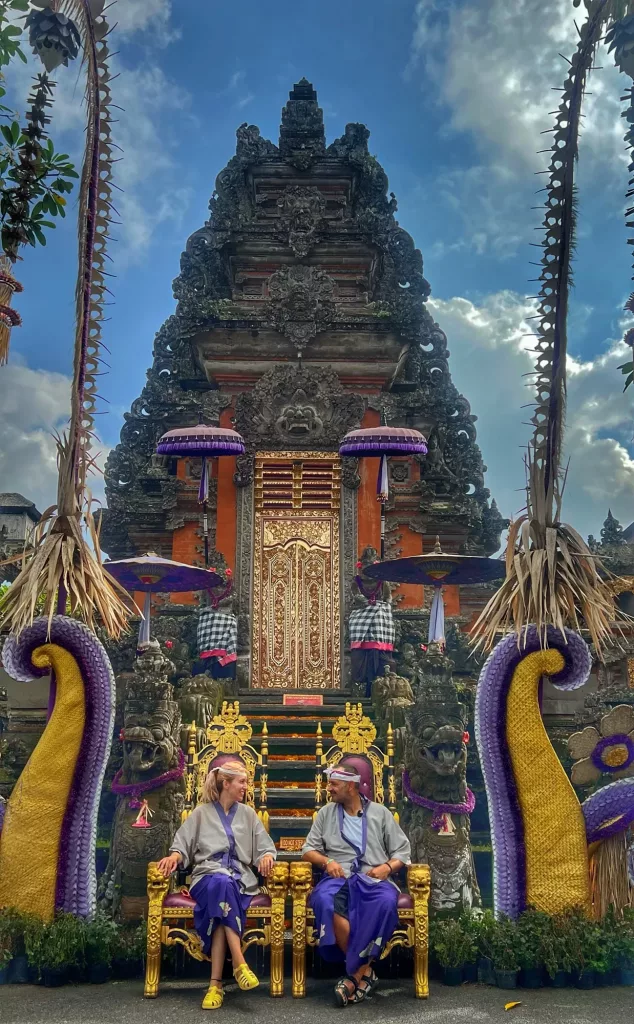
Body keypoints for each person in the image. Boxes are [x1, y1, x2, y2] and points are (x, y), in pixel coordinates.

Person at [157, 759, 276, 1010]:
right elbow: (182, 844)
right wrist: (174, 856)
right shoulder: (200, 813)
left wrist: (266, 857)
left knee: (223, 898)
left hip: (240, 880)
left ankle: (215, 985)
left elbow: (265, 848)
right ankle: (239, 963)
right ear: (226, 783)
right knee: (221, 883)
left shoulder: (249, 815)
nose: (246, 787)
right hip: (206, 877)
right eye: (242, 782)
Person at [302, 762, 411, 1007]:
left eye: (333, 784)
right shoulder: (325, 814)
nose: (328, 788)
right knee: (325, 901)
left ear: (350, 787)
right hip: (338, 879)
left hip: (373, 880)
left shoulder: (380, 813)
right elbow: (308, 849)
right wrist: (326, 860)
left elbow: (402, 851)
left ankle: (354, 977)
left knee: (385, 902)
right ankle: (364, 973)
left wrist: (387, 868)